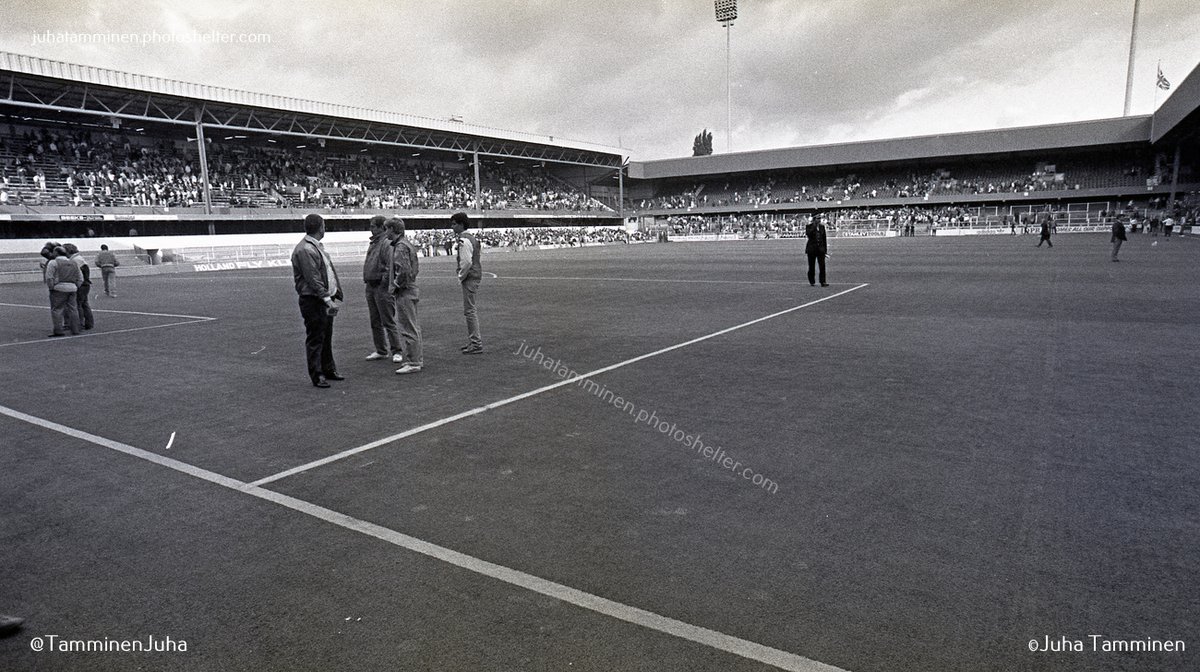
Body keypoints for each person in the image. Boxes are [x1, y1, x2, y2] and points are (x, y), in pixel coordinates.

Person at [291, 214, 345, 388]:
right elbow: (313, 278)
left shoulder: (314, 247)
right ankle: (317, 374)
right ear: (320, 227)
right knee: (316, 337)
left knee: (326, 336)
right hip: (314, 300)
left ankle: (328, 369)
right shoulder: (306, 250)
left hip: (322, 299)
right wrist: (327, 299)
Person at [361, 215, 402, 362]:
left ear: (381, 228)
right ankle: (381, 349)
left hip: (380, 286)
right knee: (375, 321)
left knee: (388, 320)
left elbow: (389, 266)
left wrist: (384, 283)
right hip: (371, 285)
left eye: (373, 226)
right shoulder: (374, 242)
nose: (370, 229)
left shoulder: (385, 243)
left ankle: (396, 350)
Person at [388, 217, 424, 374]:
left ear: (393, 230)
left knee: (407, 326)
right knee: (413, 326)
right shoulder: (407, 244)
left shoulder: (401, 247)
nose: (386, 232)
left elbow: (403, 271)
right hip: (412, 288)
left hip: (405, 290)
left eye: (387, 229)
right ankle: (416, 358)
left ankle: (413, 361)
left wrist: (395, 285)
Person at [450, 212, 484, 353]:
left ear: (461, 224)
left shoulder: (463, 239)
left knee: (469, 310)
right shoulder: (470, 238)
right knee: (470, 310)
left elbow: (466, 261)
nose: (452, 227)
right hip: (474, 274)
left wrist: (460, 276)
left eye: (454, 224)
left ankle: (476, 343)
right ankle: (473, 341)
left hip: (470, 276)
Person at [45, 245, 83, 337]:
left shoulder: (53, 262)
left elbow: (49, 277)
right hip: (72, 288)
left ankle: (58, 330)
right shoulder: (73, 263)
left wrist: (51, 287)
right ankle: (75, 329)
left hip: (59, 288)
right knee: (73, 309)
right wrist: (76, 286)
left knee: (57, 309)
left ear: (56, 253)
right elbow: (80, 278)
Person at [65, 244, 94, 330]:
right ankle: (89, 323)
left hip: (81, 285)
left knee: (78, 305)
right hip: (85, 284)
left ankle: (80, 324)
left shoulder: (75, 260)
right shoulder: (79, 259)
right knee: (84, 304)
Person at [804, 214, 829, 287]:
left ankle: (823, 281)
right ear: (814, 219)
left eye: (820, 218)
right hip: (811, 249)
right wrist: (814, 227)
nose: (819, 220)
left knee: (822, 266)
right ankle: (812, 281)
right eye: (818, 218)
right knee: (811, 266)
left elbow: (824, 239)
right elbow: (809, 234)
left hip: (820, 250)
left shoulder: (822, 227)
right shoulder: (809, 227)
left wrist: (825, 250)